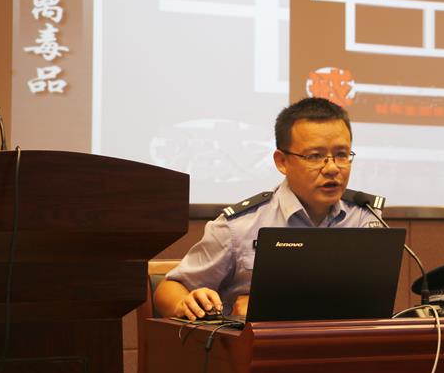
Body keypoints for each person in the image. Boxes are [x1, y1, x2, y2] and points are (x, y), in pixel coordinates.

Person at [154, 97, 380, 320]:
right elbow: (168, 291)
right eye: (315, 156)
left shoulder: (365, 217)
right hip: (260, 344)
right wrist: (186, 303)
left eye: (341, 155)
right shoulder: (239, 226)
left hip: (344, 342)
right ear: (282, 162)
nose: (332, 168)